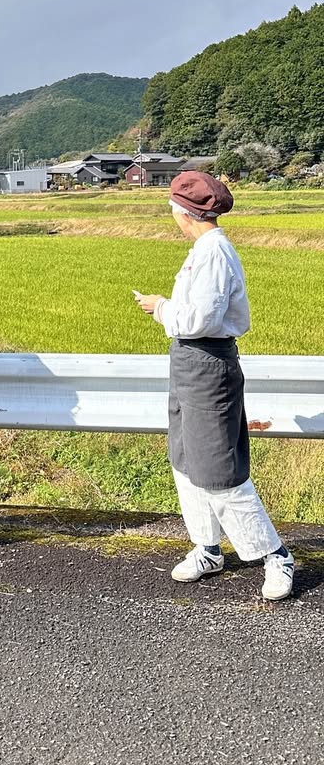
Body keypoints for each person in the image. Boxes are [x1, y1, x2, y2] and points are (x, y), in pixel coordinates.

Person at [133, 171, 294, 601]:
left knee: (218, 469)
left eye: (172, 210)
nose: (172, 216)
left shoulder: (214, 253)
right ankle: (207, 548)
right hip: (188, 361)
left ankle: (275, 555)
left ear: (183, 213)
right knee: (186, 459)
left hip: (208, 362)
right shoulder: (204, 250)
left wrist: (159, 306)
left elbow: (200, 319)